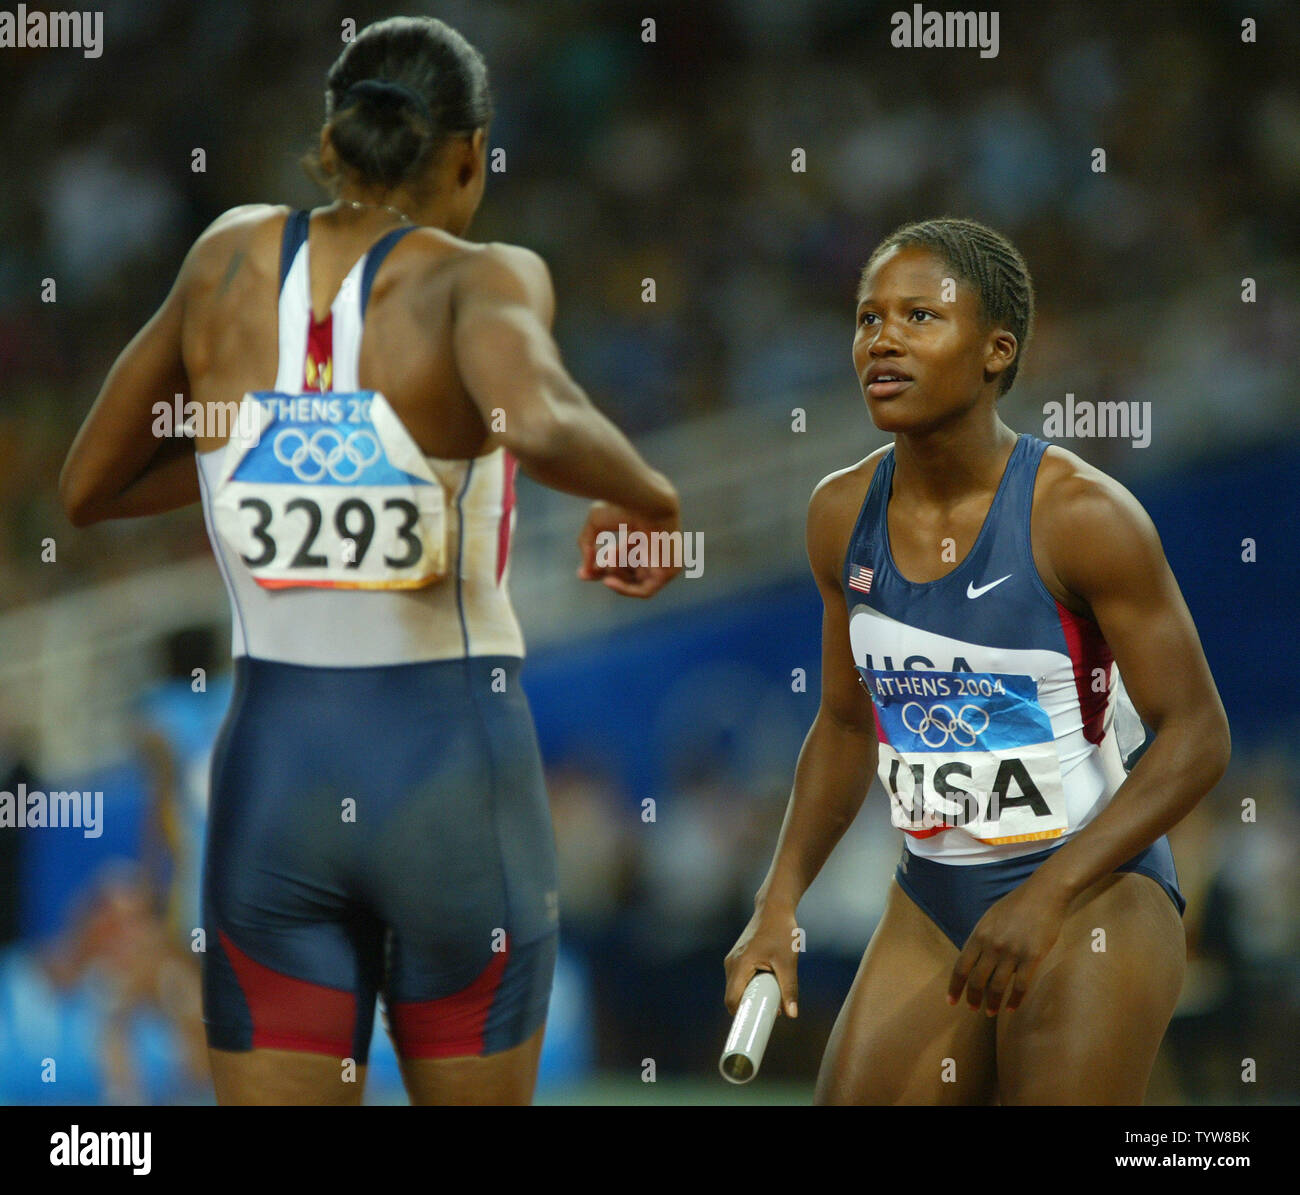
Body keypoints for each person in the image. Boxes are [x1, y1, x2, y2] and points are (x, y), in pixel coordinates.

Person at [59, 15, 681, 1105]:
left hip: (274, 790)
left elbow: (90, 486)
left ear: (332, 139)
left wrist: (252, 452)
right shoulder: (480, 277)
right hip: (451, 779)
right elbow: (537, 416)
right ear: (466, 154)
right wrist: (648, 494)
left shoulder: (223, 261)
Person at [724, 216, 1230, 1105]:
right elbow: (846, 725)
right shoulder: (839, 514)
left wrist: (1051, 892)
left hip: (1093, 890)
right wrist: (778, 901)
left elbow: (1197, 737)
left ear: (997, 350)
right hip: (932, 896)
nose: (882, 337)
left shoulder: (1084, 516)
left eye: (920, 317)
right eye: (867, 316)